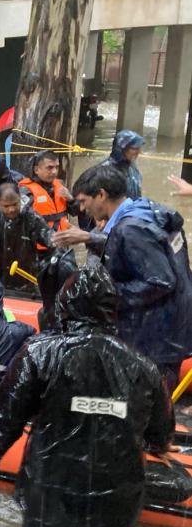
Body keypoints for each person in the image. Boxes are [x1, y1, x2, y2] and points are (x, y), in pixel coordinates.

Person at [0, 265, 175, 527]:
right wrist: (155, 445)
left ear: (65, 306)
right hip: (114, 497)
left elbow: (8, 417)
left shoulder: (38, 354)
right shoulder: (143, 368)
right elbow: (160, 431)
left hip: (51, 489)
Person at [70, 164, 192, 389]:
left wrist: (108, 294)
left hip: (157, 336)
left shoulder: (131, 229)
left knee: (148, 401)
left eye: (84, 201)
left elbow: (160, 281)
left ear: (101, 195)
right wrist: (90, 239)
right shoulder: (145, 209)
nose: (82, 208)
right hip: (174, 324)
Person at [0, 183, 54, 293]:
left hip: (27, 278)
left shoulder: (31, 216)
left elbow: (51, 239)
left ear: (20, 198)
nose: (11, 209)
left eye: (15, 204)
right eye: (6, 206)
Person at [18, 150, 79, 232]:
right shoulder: (25, 191)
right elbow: (19, 221)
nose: (54, 172)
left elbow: (75, 212)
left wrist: (71, 199)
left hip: (62, 240)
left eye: (57, 167)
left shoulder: (60, 186)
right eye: (49, 168)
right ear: (36, 170)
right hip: (38, 242)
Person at [102, 129, 144, 199]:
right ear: (121, 149)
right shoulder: (105, 171)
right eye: (134, 148)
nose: (139, 152)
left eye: (139, 148)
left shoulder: (132, 166)